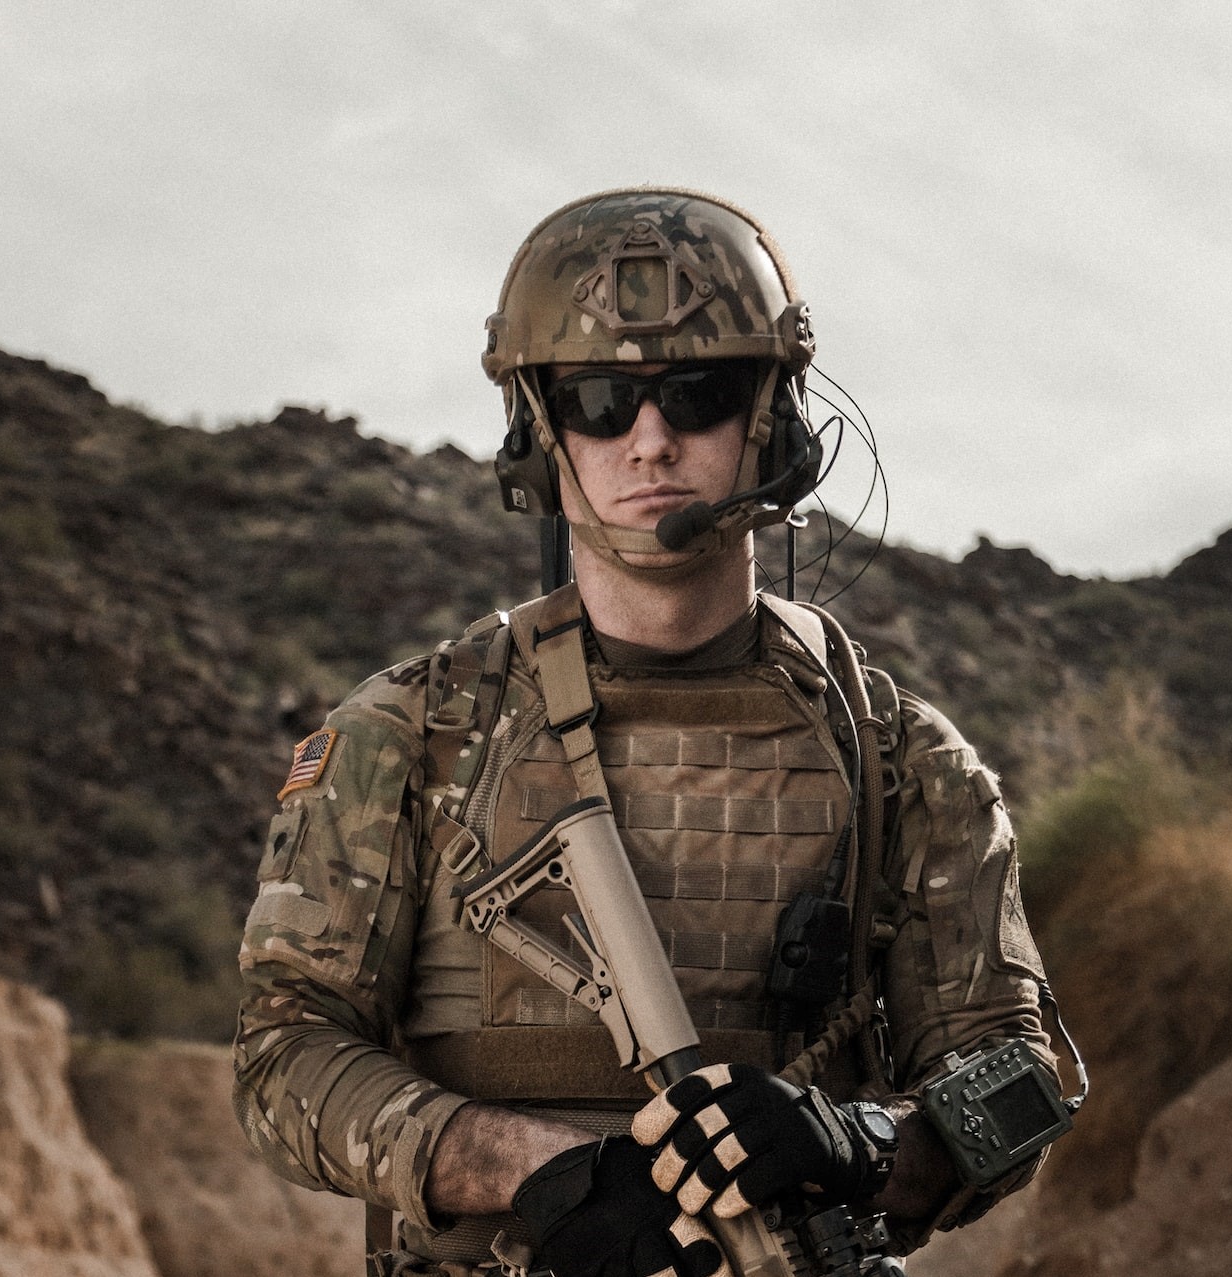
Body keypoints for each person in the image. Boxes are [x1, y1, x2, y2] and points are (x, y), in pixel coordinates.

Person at [234, 188, 1063, 1277]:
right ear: (542, 429)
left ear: (769, 417)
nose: (652, 440)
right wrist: (535, 1169)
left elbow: (1020, 1085)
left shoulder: (901, 758)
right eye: (598, 400)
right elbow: (280, 1056)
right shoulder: (410, 734)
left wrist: (855, 1140)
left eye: (698, 392)